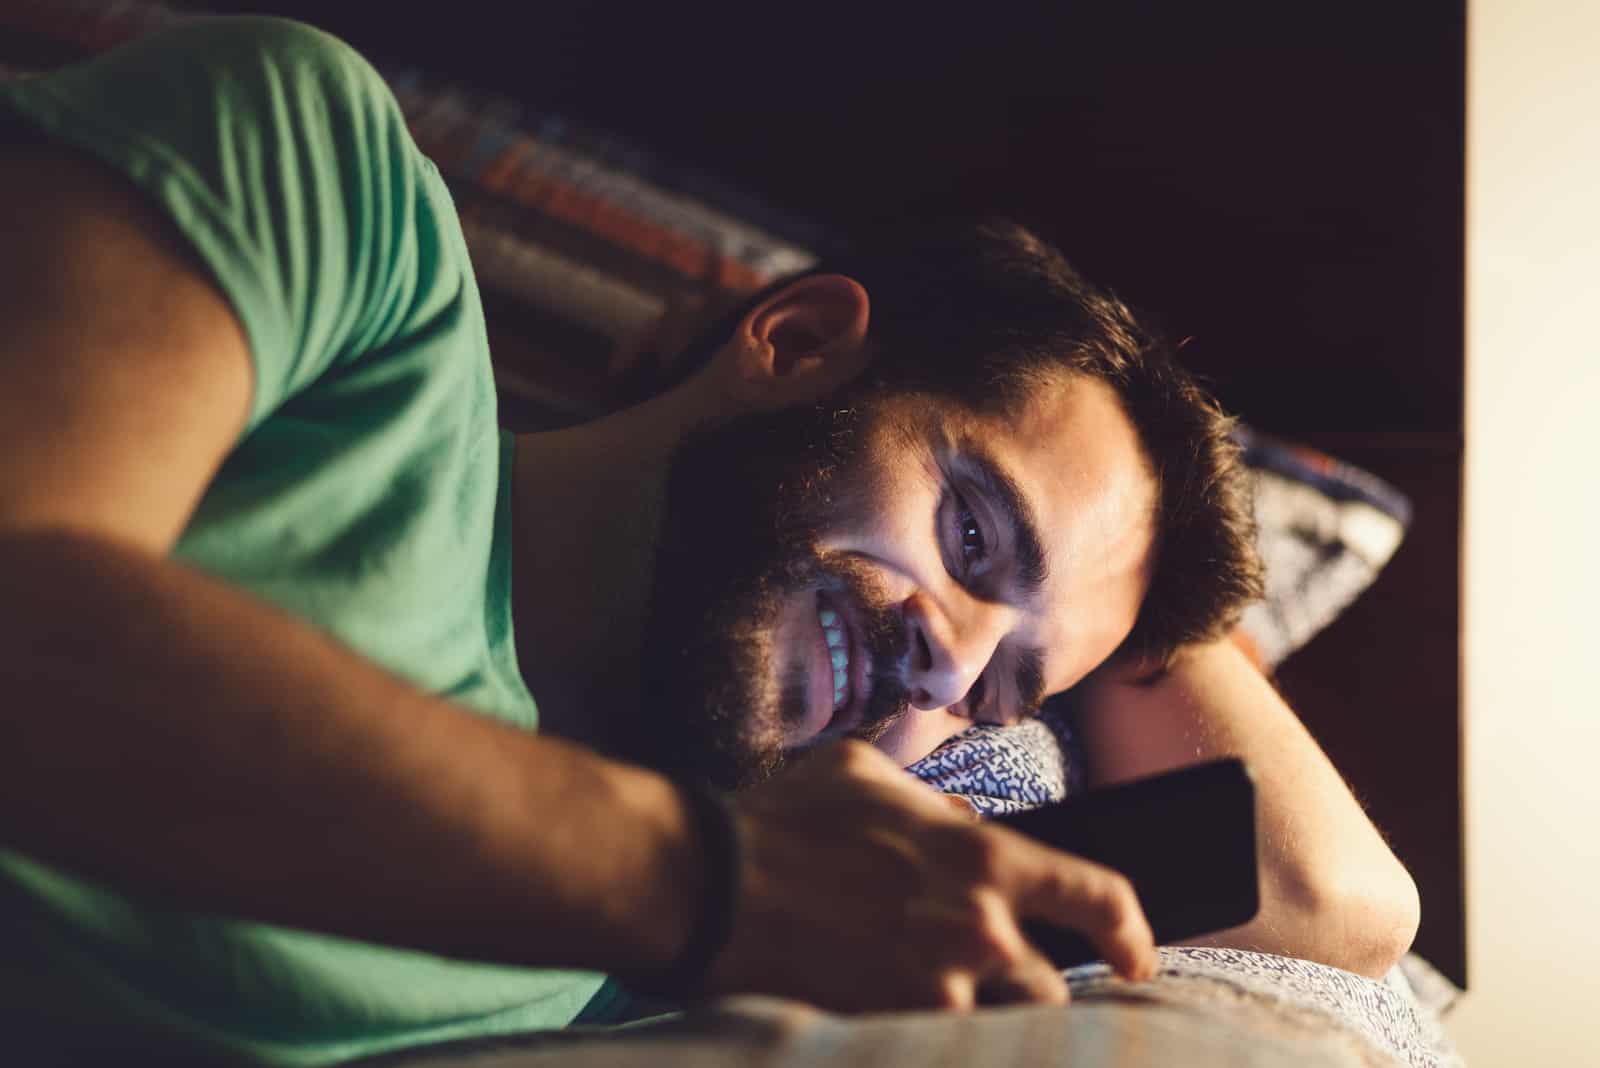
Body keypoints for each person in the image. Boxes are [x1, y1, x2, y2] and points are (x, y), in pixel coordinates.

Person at [0, 16, 1420, 1066]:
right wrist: (704, 884)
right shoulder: (337, 197)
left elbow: (1330, 909)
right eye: (970, 529)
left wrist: (1138, 555)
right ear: (799, 341)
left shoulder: (693, 959)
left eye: (1002, 690)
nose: (944, 667)